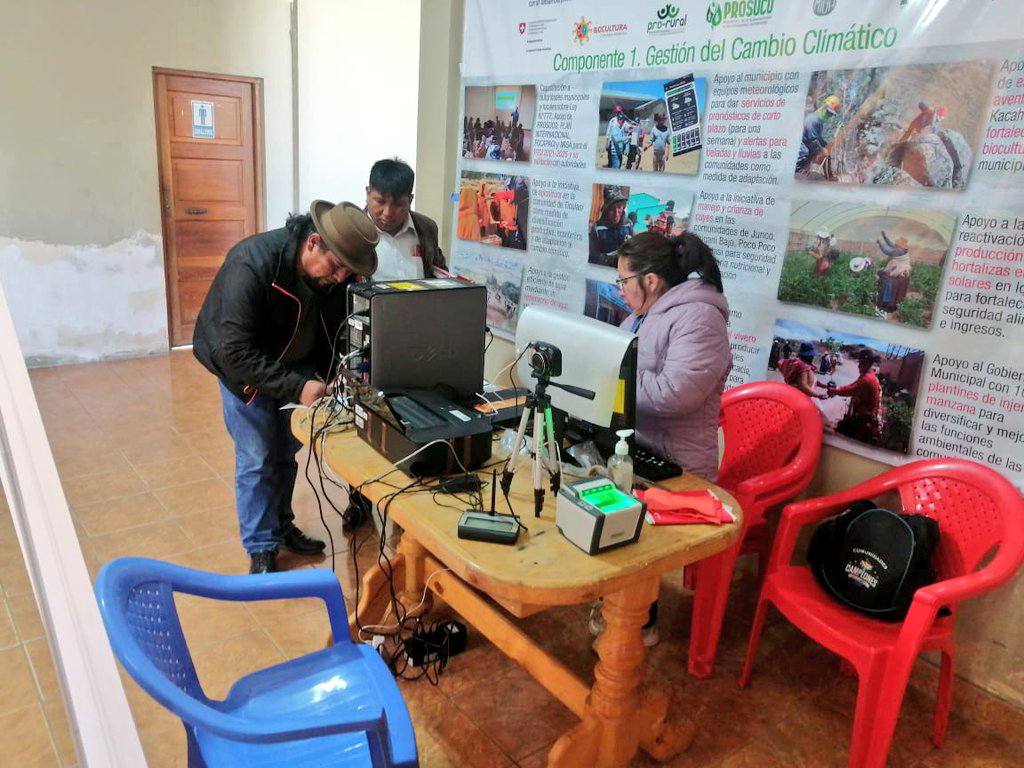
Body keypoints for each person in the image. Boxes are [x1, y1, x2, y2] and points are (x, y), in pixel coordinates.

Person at [193, 201, 379, 573]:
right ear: (313, 243)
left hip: (296, 367)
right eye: (337, 266)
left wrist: (336, 374)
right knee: (257, 457)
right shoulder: (251, 264)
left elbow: (338, 330)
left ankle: (281, 526)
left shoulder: (335, 277)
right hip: (244, 370)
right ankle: (261, 548)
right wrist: (297, 387)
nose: (340, 277)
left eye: (348, 270)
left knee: (285, 451)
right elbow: (234, 352)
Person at [590, 230, 733, 647]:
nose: (620, 289)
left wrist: (611, 382)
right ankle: (619, 605)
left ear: (650, 280)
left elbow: (674, 394)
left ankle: (639, 625)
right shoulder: (642, 315)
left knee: (638, 547)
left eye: (623, 280)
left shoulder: (700, 319)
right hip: (639, 447)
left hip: (677, 461)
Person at [365, 158, 446, 281]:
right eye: (380, 201)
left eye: (398, 204)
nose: (388, 213)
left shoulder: (426, 227)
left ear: (410, 200)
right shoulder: (351, 230)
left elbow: (439, 272)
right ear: (368, 193)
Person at [829, 349, 883, 444]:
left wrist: (834, 391)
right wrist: (836, 389)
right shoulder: (868, 375)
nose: (858, 366)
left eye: (861, 363)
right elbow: (852, 385)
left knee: (839, 438)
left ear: (867, 363)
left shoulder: (867, 379)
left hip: (863, 421)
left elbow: (851, 390)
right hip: (862, 416)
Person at [588, 188, 632, 267]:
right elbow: (593, 258)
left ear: (623, 207)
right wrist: (615, 259)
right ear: (606, 210)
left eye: (619, 207)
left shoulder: (628, 224)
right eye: (612, 209)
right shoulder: (596, 229)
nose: (616, 214)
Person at [797, 95, 840, 173]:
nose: (829, 116)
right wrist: (822, 149)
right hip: (802, 145)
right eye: (828, 113)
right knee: (805, 153)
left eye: (831, 114)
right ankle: (796, 172)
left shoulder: (819, 121)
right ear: (824, 107)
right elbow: (813, 139)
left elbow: (818, 137)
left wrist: (825, 145)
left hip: (808, 143)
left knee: (814, 153)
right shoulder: (813, 120)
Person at [875, 231, 912, 313]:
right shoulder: (902, 249)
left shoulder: (899, 251)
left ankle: (886, 302)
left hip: (899, 271)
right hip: (900, 270)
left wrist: (880, 243)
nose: (896, 244)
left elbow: (887, 251)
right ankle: (888, 303)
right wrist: (885, 237)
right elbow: (891, 245)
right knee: (884, 274)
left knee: (887, 280)